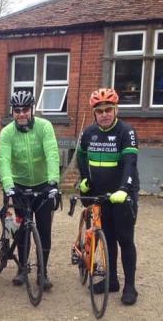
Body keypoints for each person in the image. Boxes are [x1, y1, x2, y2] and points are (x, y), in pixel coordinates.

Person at [77, 88, 139, 305]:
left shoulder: (126, 131)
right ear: (94, 113)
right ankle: (111, 281)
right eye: (100, 110)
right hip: (101, 195)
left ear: (116, 110)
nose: (104, 114)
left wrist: (124, 188)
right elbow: (82, 157)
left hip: (122, 194)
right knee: (108, 239)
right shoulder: (89, 133)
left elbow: (130, 164)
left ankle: (130, 286)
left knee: (125, 239)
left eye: (108, 110)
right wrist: (85, 180)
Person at [0, 90, 60, 291]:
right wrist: (9, 186)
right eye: (17, 110)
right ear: (12, 111)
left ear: (32, 109)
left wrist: (53, 182)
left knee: (44, 231)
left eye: (25, 109)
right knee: (21, 231)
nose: (21, 113)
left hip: (43, 185)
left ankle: (43, 273)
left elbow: (52, 153)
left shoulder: (44, 127)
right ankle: (22, 269)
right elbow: (4, 160)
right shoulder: (7, 132)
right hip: (20, 186)